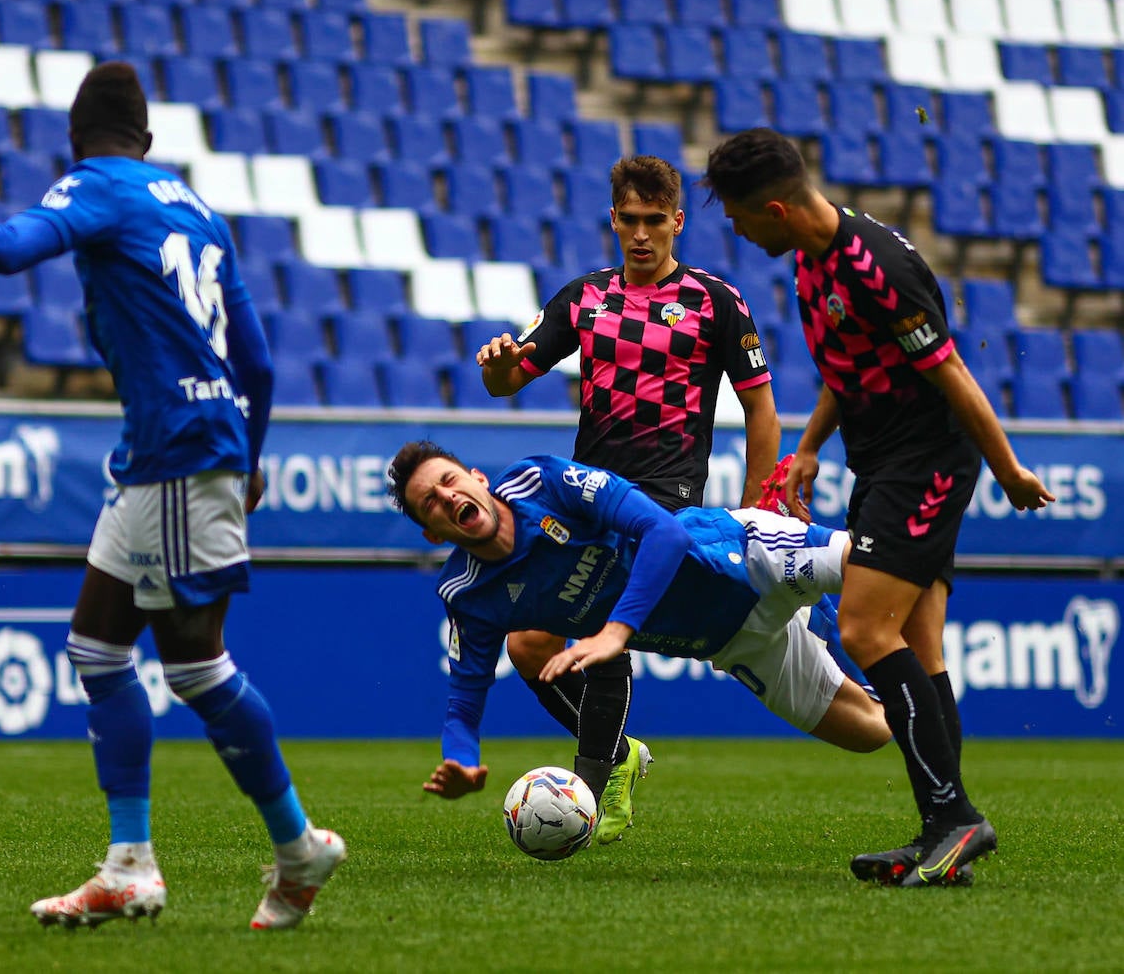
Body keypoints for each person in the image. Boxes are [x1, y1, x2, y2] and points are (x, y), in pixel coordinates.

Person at [0, 62, 346, 930]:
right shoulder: (198, 208)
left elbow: (11, 249)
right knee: (97, 648)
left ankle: (295, 845)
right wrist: (253, 454)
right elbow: (261, 361)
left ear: (73, 140)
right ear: (150, 140)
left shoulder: (97, 188)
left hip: (176, 449)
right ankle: (130, 864)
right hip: (179, 452)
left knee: (197, 665)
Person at [701, 127, 1055, 887]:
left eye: (737, 215)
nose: (733, 227)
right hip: (882, 462)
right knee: (921, 650)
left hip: (927, 462)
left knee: (864, 626)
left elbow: (952, 372)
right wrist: (807, 446)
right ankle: (943, 827)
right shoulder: (810, 262)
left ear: (776, 209)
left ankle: (956, 817)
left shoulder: (878, 267)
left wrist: (1010, 471)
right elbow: (846, 365)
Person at [475, 155, 781, 843]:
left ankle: (589, 787)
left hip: (666, 496)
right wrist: (497, 367)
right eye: (629, 221)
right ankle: (618, 753)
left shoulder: (717, 301)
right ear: (613, 219)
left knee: (601, 624)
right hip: (589, 496)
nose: (641, 235)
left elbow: (761, 410)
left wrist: (755, 508)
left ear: (677, 220)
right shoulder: (583, 298)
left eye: (655, 221)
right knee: (528, 642)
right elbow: (510, 374)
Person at [386, 441, 893, 818]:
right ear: (434, 533)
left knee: (876, 562)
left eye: (450, 480)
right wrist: (461, 760)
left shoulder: (542, 482)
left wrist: (615, 631)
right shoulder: (469, 594)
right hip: (735, 642)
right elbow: (464, 697)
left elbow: (665, 533)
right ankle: (808, 616)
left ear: (477, 477)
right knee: (873, 731)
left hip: (742, 555)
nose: (447, 496)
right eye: (430, 501)